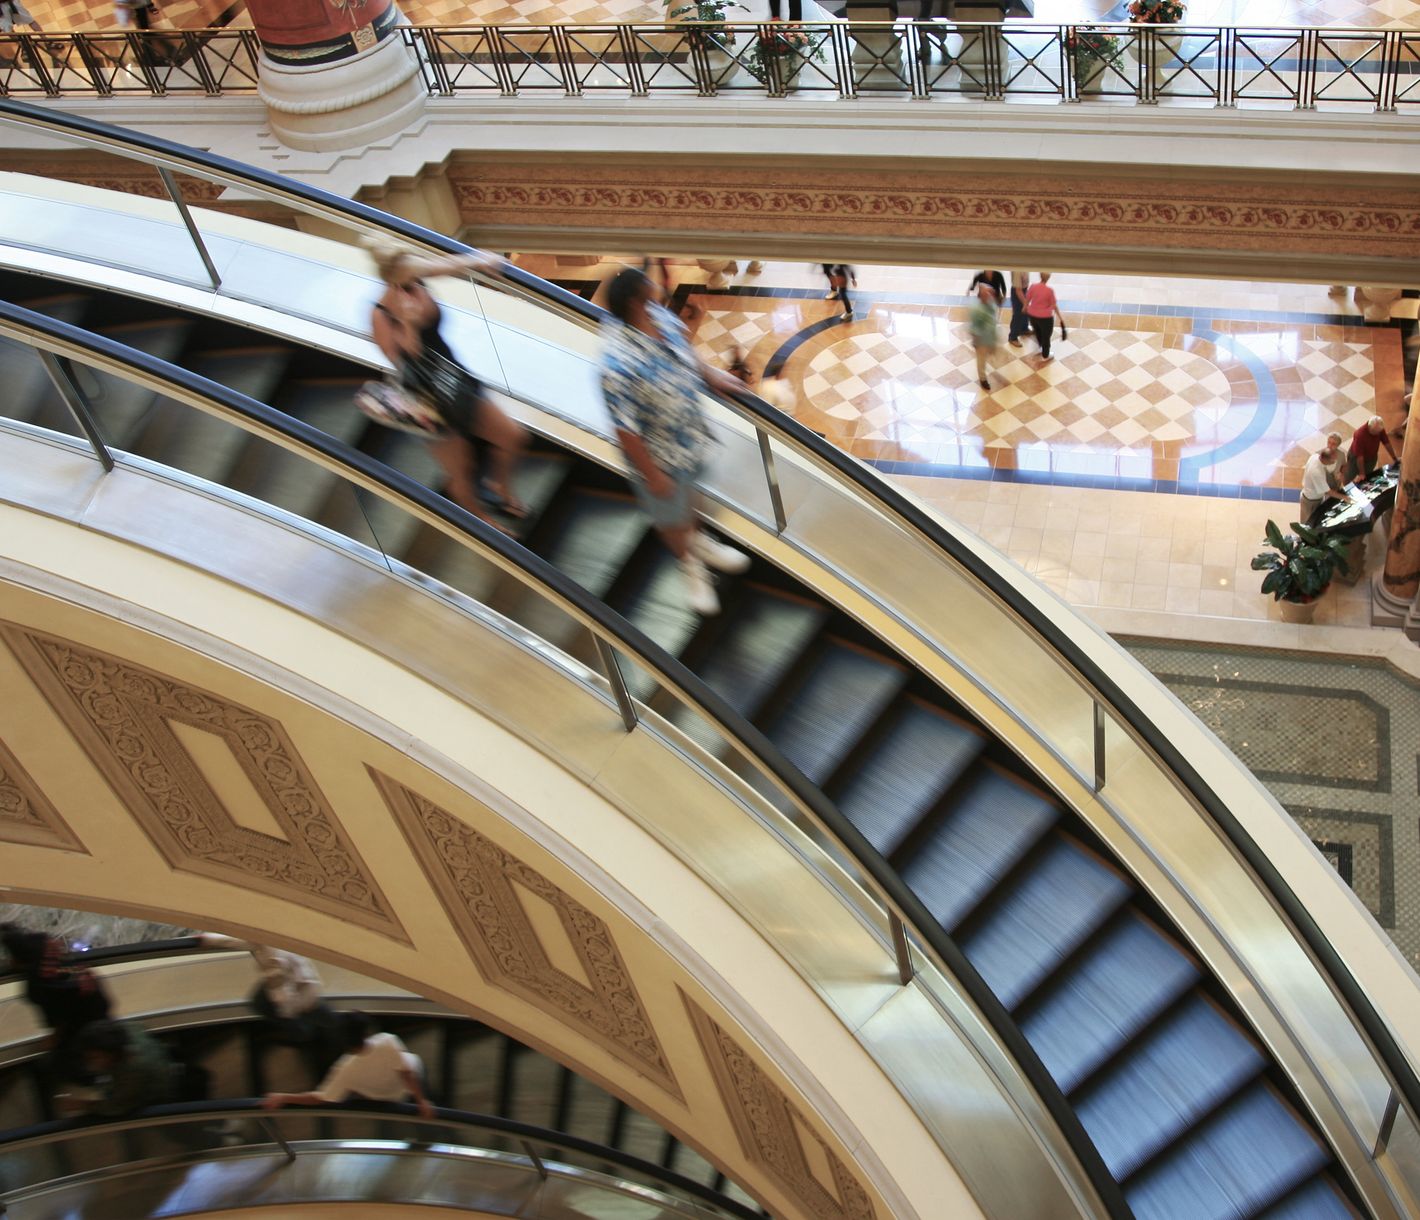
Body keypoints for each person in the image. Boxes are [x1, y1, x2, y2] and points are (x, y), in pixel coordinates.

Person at [600, 266, 751, 617]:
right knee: (670, 517)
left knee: (693, 500)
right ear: (638, 301)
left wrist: (710, 373)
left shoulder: (658, 318)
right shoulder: (616, 363)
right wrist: (652, 475)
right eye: (649, 286)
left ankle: (699, 541)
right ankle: (689, 565)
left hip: (691, 437)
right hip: (658, 457)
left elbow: (683, 346)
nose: (657, 287)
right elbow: (625, 429)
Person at [365, 238, 527, 526]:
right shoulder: (380, 315)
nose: (415, 272)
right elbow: (401, 360)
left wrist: (480, 259)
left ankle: (499, 485)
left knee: (512, 436)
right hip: (428, 399)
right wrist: (408, 325)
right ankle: (480, 519)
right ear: (392, 276)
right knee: (461, 468)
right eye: (409, 270)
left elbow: (446, 265)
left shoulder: (412, 278)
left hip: (455, 379)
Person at [262, 1011, 434, 1118]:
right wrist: (422, 1101)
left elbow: (321, 1097)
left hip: (388, 1098)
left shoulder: (345, 1069)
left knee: (402, 1117)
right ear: (366, 1032)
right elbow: (407, 1073)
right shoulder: (387, 1041)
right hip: (414, 1077)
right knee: (429, 1109)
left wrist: (284, 1097)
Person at [1, 925, 112, 1068]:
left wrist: (55, 1039)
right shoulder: (46, 948)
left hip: (84, 1033)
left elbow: (60, 1021)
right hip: (99, 1019)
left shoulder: (41, 986)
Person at [197, 933, 332, 1048]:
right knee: (318, 1012)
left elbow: (279, 985)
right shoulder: (267, 936)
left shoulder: (272, 955)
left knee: (262, 1004)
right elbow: (241, 941)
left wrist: (286, 1010)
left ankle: (304, 1034)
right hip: (305, 985)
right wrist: (210, 939)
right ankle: (321, 1029)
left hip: (298, 991)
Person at [61, 1019, 179, 1118]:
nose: (89, 1062)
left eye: (95, 1057)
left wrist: (82, 1105)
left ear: (112, 1054)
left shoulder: (133, 1071)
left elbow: (115, 1106)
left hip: (161, 1100)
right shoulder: (127, 1030)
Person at [1298, 432, 1347, 526]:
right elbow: (1328, 491)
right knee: (1307, 524)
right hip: (1310, 499)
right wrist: (1345, 497)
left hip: (1316, 496)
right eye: (1332, 462)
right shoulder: (1317, 472)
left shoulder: (1315, 457)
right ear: (1326, 461)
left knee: (1315, 519)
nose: (1333, 463)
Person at [1024, 272, 1066, 363]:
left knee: (1038, 332)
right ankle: (1045, 355)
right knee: (1046, 335)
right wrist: (1060, 318)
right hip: (1045, 317)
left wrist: (1025, 307)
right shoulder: (1049, 290)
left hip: (1032, 315)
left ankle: (1040, 347)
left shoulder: (1033, 286)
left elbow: (1027, 298)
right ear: (1048, 278)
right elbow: (1054, 306)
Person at [1346, 414, 1400, 483]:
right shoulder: (1360, 435)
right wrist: (1362, 473)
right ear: (1369, 427)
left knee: (1368, 476)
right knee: (1350, 475)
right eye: (1375, 432)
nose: (1377, 434)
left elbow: (1386, 443)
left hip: (1371, 457)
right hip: (1355, 458)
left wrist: (1394, 458)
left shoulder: (1378, 428)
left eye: (1379, 432)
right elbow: (1359, 457)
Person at [968, 282, 1001, 391]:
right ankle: (983, 379)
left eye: (989, 293)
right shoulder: (976, 309)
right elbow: (973, 328)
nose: (989, 295)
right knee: (981, 360)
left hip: (990, 337)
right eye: (986, 294)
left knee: (988, 355)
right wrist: (976, 341)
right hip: (981, 340)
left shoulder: (990, 302)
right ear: (981, 296)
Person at [1007, 270, 1030, 347]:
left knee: (1025, 312)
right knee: (1017, 315)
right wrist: (1025, 303)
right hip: (1018, 293)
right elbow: (1018, 291)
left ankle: (1024, 329)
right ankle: (1013, 337)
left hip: (1023, 290)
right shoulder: (1017, 271)